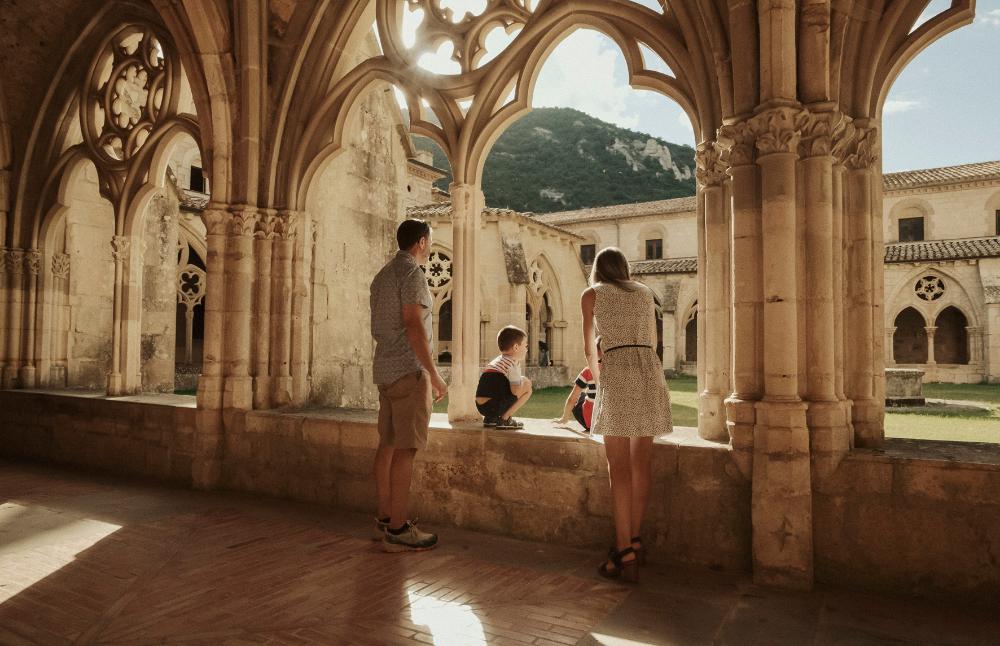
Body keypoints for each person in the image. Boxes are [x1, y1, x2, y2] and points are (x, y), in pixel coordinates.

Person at [581, 247, 671, 582]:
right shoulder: (646, 293)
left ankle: (623, 551)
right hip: (649, 369)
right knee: (641, 464)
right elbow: (652, 339)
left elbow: (589, 347)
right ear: (625, 267)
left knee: (618, 469)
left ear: (598, 270)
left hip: (617, 370)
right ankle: (634, 538)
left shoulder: (592, 294)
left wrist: (599, 377)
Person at [369, 219, 448, 552]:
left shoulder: (382, 276)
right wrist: (434, 373)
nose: (429, 246)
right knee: (406, 450)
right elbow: (415, 325)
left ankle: (386, 518)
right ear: (421, 242)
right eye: (429, 240)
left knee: (387, 445)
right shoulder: (413, 275)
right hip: (408, 371)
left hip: (385, 370)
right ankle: (400, 529)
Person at [475, 325, 533, 430]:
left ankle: (490, 419)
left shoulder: (496, 361)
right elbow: (515, 391)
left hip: (481, 407)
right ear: (516, 347)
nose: (526, 349)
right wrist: (521, 382)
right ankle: (505, 419)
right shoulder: (512, 363)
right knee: (527, 384)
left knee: (501, 386)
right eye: (525, 346)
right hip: (493, 407)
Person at [553, 338, 601, 433]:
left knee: (580, 396)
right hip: (609, 424)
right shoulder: (617, 372)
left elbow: (572, 399)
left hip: (590, 424)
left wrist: (564, 418)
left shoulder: (588, 371)